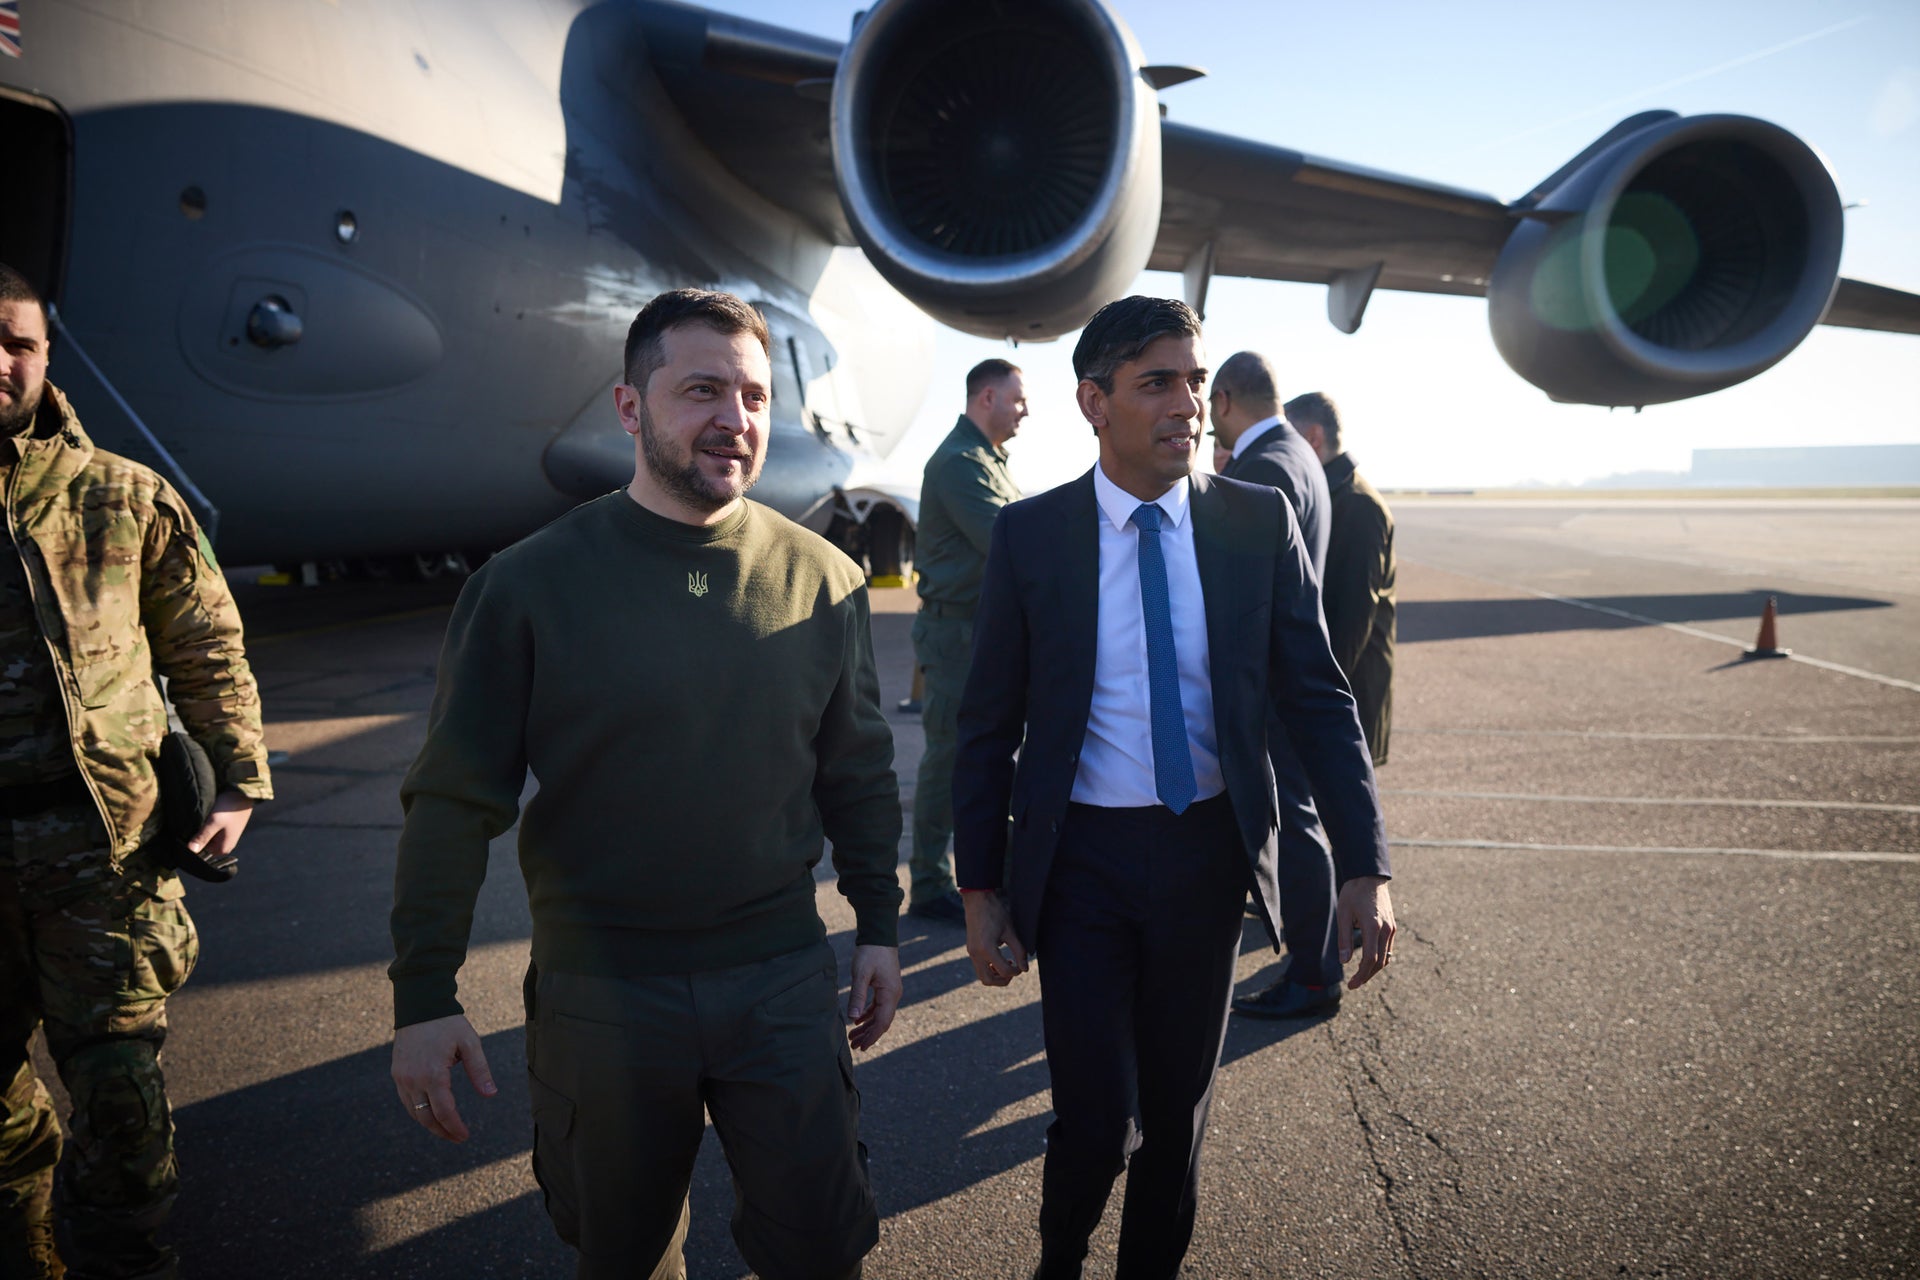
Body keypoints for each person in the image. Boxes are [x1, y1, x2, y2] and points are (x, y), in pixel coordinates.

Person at [388, 288, 903, 1280]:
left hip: (784, 982)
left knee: (823, 1248)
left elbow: (859, 770)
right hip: (603, 991)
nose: (735, 419)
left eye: (753, 394)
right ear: (631, 408)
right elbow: (454, 799)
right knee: (622, 1256)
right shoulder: (528, 585)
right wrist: (423, 993)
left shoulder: (826, 579)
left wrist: (878, 920)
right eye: (702, 389)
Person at [952, 296, 1395, 1279]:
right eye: (1158, 381)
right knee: (1097, 1120)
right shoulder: (1032, 536)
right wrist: (980, 889)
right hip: (1083, 867)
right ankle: (1058, 1258)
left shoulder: (1254, 519)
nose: (1188, 404)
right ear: (1093, 400)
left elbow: (1321, 699)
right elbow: (984, 726)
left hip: (1205, 860)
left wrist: (1365, 864)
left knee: (1176, 1122)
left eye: (1194, 382)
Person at [0, 262, 273, 1280]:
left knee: (122, 1110)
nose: (1, 360)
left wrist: (239, 778)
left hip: (96, 856)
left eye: (18, 342)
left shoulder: (120, 495)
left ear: (44, 355)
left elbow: (206, 644)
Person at [1208, 352, 1350, 1021]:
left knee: (1291, 822)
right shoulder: (1303, 458)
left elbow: (1231, 595)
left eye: (1211, 410)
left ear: (1227, 398)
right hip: (1289, 669)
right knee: (1299, 818)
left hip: (1268, 679)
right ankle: (1310, 963)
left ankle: (1315, 972)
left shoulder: (1263, 468)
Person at [906, 358, 1027, 924]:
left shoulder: (988, 460)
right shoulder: (960, 463)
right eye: (1017, 398)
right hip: (954, 632)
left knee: (990, 753)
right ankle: (929, 882)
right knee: (950, 758)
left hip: (978, 629)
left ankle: (994, 872)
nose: (1025, 409)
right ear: (986, 398)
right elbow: (1008, 539)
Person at [1286, 391, 1396, 765]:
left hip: (1346, 701)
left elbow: (1351, 621)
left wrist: (1319, 701)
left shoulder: (1356, 504)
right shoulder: (1332, 494)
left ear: (1314, 438)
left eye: (1291, 439)